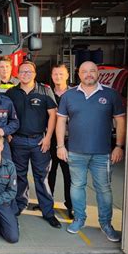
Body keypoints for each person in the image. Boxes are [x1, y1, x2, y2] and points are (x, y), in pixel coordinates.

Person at [56, 61, 126, 242]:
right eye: (84, 71)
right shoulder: (68, 96)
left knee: (104, 189)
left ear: (97, 73)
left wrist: (118, 146)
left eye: (92, 71)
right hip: (76, 152)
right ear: (78, 74)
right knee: (77, 187)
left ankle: (106, 224)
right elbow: (61, 122)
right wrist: (60, 146)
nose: (89, 74)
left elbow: (120, 120)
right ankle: (79, 219)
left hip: (102, 153)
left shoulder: (111, 95)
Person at [6, 61, 61, 229]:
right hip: (18, 141)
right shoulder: (11, 92)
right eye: (22, 71)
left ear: (35, 74)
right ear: (18, 74)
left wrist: (48, 138)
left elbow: (53, 115)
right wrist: (8, 133)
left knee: (42, 178)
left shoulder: (45, 90)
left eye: (29, 71)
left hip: (39, 141)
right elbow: (5, 113)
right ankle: (20, 205)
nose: (25, 74)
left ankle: (48, 212)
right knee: (20, 176)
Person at [47, 64, 73, 219]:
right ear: (51, 76)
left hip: (68, 140)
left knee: (69, 175)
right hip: (50, 139)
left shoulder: (75, 94)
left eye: (61, 74)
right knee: (49, 173)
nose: (58, 77)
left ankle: (70, 205)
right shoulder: (47, 93)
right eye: (55, 74)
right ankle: (47, 203)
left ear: (67, 75)